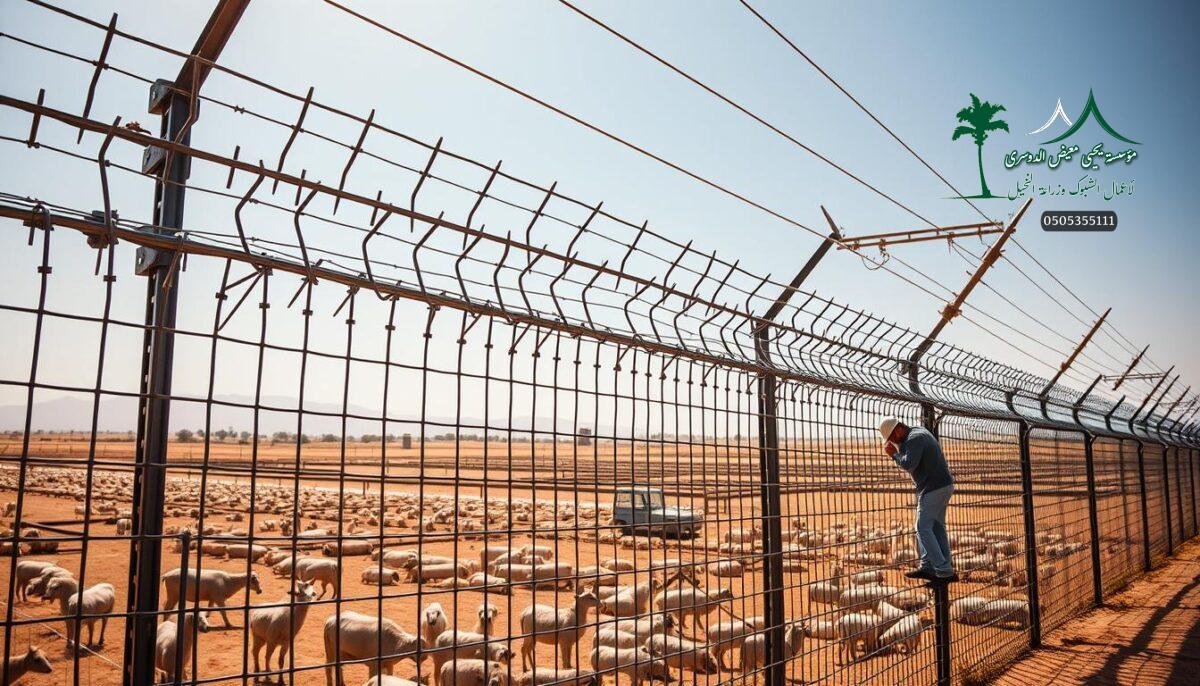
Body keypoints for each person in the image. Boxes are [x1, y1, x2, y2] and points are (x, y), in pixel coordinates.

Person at [879, 417, 957, 582]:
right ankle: (930, 567)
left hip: (933, 488)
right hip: (941, 486)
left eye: (892, 438)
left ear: (898, 430)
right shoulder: (918, 433)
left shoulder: (914, 438)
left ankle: (943, 571)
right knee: (936, 528)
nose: (893, 443)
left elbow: (909, 464)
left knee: (922, 528)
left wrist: (894, 454)